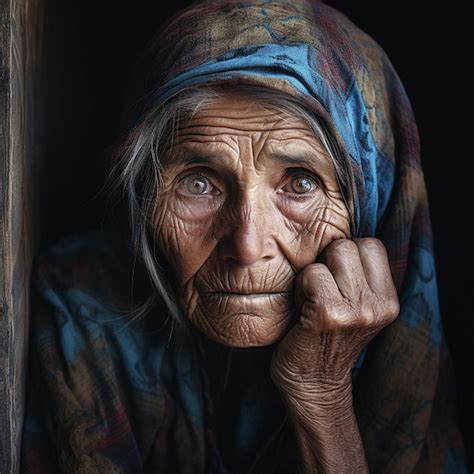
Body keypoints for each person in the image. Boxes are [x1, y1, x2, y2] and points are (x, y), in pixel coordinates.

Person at [20, 0, 468, 472]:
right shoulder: (84, 308)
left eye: (300, 183)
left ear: (372, 201)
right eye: (199, 183)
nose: (248, 246)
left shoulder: (403, 368)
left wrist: (321, 398)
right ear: (143, 198)